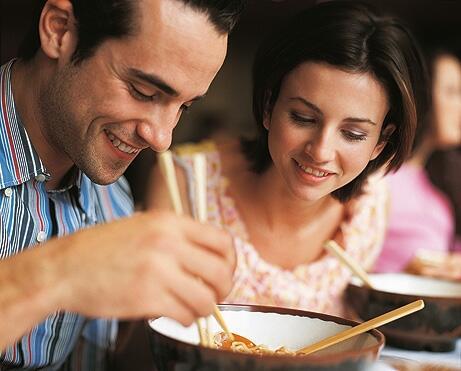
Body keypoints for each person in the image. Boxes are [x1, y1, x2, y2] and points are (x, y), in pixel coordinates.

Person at [0, 0, 244, 369]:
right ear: (59, 30)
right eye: (144, 92)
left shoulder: (114, 199)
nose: (162, 137)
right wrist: (60, 271)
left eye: (184, 107)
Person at [147, 1, 428, 317]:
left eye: (352, 134)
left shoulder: (370, 209)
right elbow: (142, 343)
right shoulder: (185, 184)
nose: (320, 151)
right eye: (303, 117)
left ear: (380, 142)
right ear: (269, 106)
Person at [374, 48, 461, 277]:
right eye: (453, 92)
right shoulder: (378, 177)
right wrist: (406, 274)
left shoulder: (439, 183)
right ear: (421, 94)